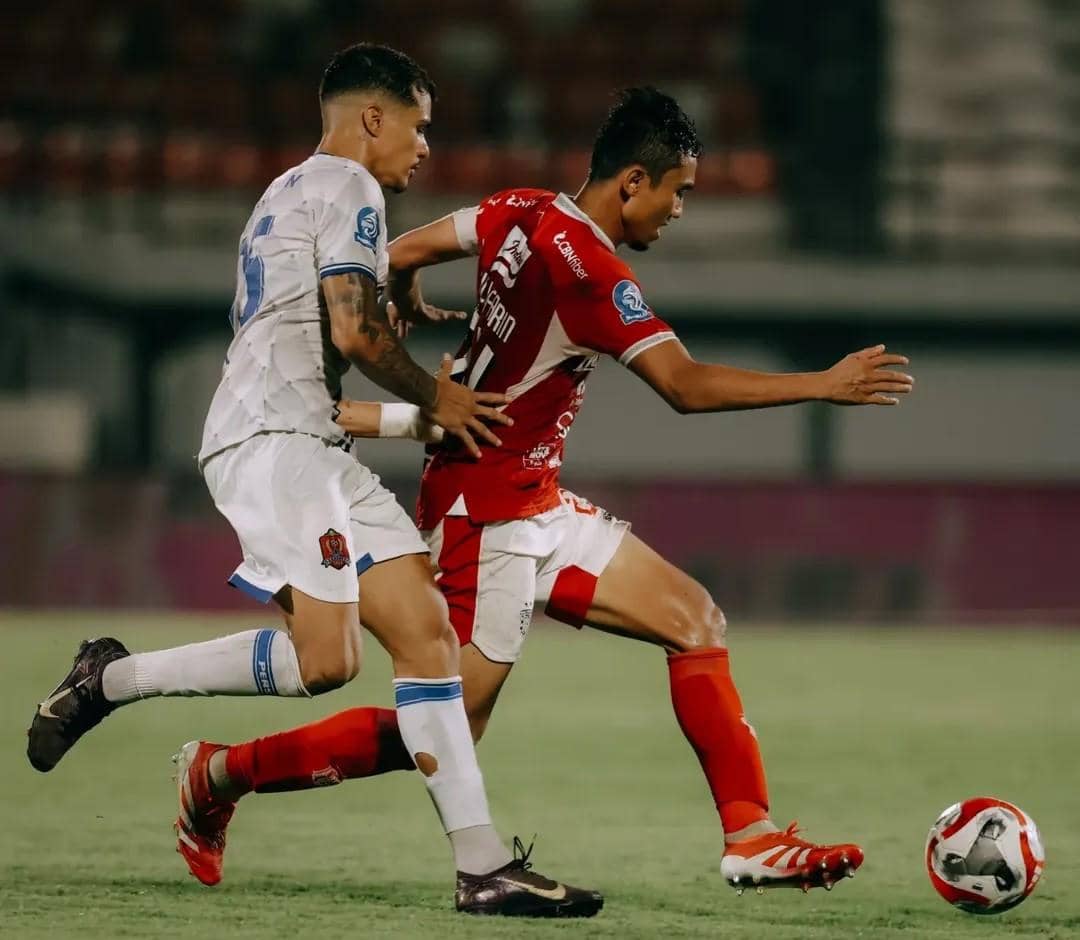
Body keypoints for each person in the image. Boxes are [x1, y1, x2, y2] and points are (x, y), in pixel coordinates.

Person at [159, 87, 915, 894]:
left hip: (532, 499)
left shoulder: (520, 208)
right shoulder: (590, 272)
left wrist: (403, 291)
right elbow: (685, 386)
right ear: (633, 182)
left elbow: (404, 249)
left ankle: (750, 837)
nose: (679, 209)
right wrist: (822, 384)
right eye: (679, 191)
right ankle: (221, 773)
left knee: (694, 620)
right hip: (484, 515)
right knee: (447, 724)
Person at [25, 42, 601, 918]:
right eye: (418, 126)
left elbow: (325, 353)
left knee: (426, 637)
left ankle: (482, 866)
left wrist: (411, 396)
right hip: (275, 446)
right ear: (373, 116)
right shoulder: (350, 187)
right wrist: (436, 395)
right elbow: (358, 334)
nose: (425, 146)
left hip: (311, 443)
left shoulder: (286, 193)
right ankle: (110, 679)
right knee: (327, 662)